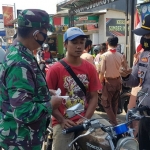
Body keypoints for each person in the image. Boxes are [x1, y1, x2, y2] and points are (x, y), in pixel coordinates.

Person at [0, 9, 62, 150]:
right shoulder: (19, 62)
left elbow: (20, 92)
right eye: (45, 31)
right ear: (37, 34)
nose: (46, 36)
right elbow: (23, 112)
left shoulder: (20, 53)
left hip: (23, 138)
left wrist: (44, 93)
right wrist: (50, 105)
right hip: (20, 141)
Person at [46, 27, 102, 150]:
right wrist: (61, 120)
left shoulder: (90, 68)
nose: (79, 46)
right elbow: (47, 99)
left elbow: (94, 97)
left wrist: (86, 117)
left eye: (81, 42)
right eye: (74, 42)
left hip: (86, 116)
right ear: (65, 44)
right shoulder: (55, 69)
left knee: (109, 139)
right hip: (63, 121)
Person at [120, 14, 150, 150]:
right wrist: (126, 76)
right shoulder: (143, 55)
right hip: (145, 114)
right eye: (144, 35)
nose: (144, 38)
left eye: (147, 35)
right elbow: (134, 81)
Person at [99, 36, 123, 126]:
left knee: (105, 103)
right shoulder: (121, 56)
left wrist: (99, 83)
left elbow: (101, 72)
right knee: (114, 103)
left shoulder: (104, 56)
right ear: (117, 44)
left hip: (108, 82)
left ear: (106, 43)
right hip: (118, 81)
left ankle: (114, 122)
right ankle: (113, 121)